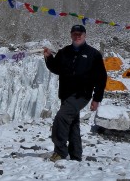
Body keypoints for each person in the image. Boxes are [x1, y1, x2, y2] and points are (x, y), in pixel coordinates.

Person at [43, 24, 107, 162]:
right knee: (73, 123)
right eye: (75, 34)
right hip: (65, 94)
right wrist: (48, 58)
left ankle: (60, 151)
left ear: (85, 35)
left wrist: (97, 99)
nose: (77, 36)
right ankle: (76, 156)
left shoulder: (93, 54)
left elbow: (101, 78)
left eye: (80, 34)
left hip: (81, 95)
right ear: (71, 35)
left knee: (61, 117)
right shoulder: (64, 52)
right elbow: (56, 68)